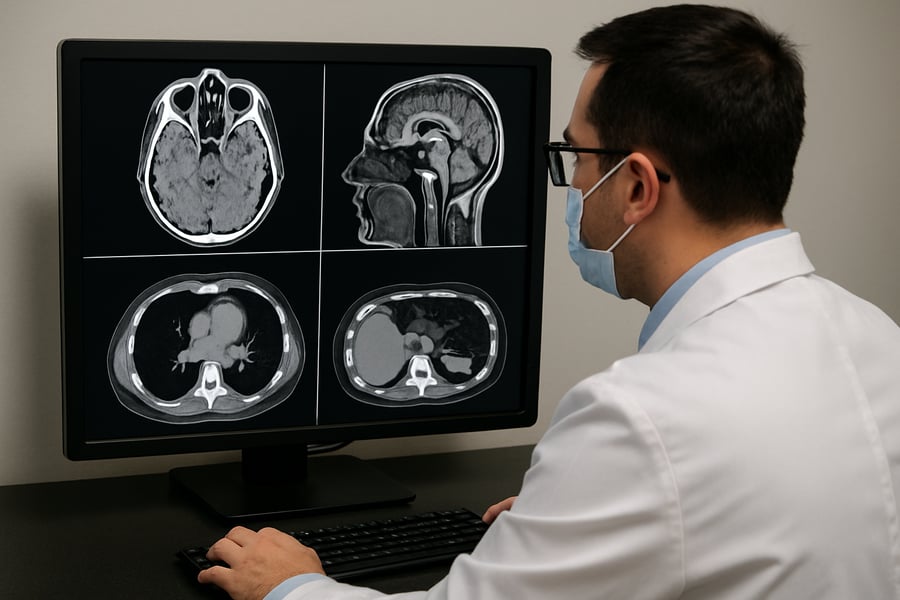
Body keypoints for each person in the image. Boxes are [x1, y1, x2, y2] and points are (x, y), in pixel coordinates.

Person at [198, 5, 900, 599]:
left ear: (636, 187)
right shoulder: (876, 339)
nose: (568, 184)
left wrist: (293, 585)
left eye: (576, 158)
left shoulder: (642, 420)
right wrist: (577, 517)